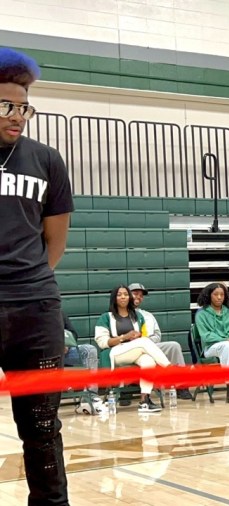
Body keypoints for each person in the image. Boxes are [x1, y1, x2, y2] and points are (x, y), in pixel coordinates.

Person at [0, 47, 72, 505]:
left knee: (43, 430)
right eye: (7, 105)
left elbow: (55, 242)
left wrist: (26, 285)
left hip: (36, 311)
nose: (18, 115)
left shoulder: (47, 160)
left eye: (24, 106)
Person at [94, 285, 171, 413]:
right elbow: (102, 343)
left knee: (148, 361)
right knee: (144, 342)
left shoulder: (138, 316)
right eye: (119, 294)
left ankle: (144, 401)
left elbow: (142, 336)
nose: (123, 297)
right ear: (114, 298)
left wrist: (137, 336)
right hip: (115, 353)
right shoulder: (105, 317)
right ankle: (169, 368)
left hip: (134, 350)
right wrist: (124, 337)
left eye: (125, 294)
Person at [128, 283, 193, 400]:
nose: (138, 297)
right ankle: (126, 390)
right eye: (135, 294)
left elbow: (158, 334)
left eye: (141, 295)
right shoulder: (121, 315)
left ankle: (181, 385)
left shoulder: (148, 315)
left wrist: (147, 341)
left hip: (151, 346)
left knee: (173, 346)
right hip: (131, 349)